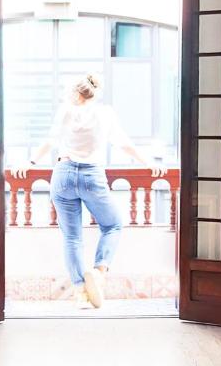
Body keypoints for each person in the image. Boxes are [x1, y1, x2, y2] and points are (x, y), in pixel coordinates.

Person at [12, 74, 165, 309]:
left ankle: (81, 292)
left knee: (72, 238)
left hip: (62, 175)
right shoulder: (105, 113)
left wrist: (29, 163)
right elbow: (123, 142)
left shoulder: (65, 111)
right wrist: (148, 162)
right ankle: (99, 271)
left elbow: (50, 141)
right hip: (92, 175)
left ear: (75, 93)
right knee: (112, 225)